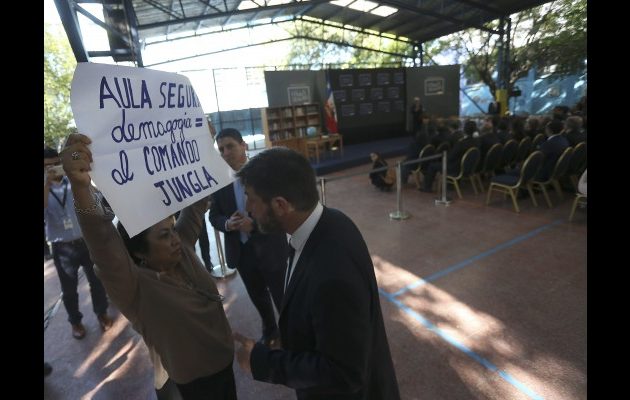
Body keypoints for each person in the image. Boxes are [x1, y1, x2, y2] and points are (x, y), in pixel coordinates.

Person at [60, 134, 236, 400]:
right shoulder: (134, 289)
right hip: (197, 387)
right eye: (164, 235)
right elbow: (101, 235)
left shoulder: (183, 250)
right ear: (140, 254)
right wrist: (81, 185)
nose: (176, 237)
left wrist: (200, 145)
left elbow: (197, 201)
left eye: (172, 228)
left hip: (226, 366)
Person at [232, 147, 401, 400]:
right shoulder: (333, 221)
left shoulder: (331, 275)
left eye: (251, 198)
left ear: (280, 205)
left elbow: (343, 373)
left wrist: (262, 362)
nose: (247, 208)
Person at [209, 128, 288, 347]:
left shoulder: (266, 173)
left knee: (282, 295)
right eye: (221, 149)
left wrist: (254, 225)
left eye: (230, 146)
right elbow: (214, 215)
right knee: (258, 296)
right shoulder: (219, 180)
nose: (225, 153)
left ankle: (293, 332)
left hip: (271, 247)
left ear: (244, 145)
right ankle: (270, 331)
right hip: (242, 253)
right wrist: (227, 223)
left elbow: (282, 211)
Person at [44, 146, 113, 339]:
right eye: (46, 166)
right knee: (69, 290)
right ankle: (75, 322)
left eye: (55, 164)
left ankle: (102, 313)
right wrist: (47, 184)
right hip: (62, 248)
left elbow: (94, 199)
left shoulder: (73, 181)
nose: (52, 169)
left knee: (96, 280)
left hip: (86, 241)